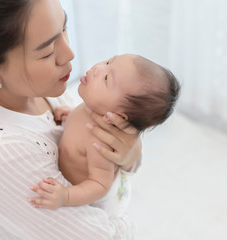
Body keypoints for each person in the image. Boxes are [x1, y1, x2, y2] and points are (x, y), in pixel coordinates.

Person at [0, 0, 142, 239]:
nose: (69, 53)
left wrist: (131, 153)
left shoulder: (33, 85)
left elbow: (118, 151)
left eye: (64, 27)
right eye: (47, 52)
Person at [28, 54, 180, 217]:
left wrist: (66, 196)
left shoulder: (100, 143)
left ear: (117, 116)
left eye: (107, 78)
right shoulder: (93, 107)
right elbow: (81, 124)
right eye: (108, 62)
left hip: (104, 203)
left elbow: (100, 185)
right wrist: (71, 115)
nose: (97, 68)